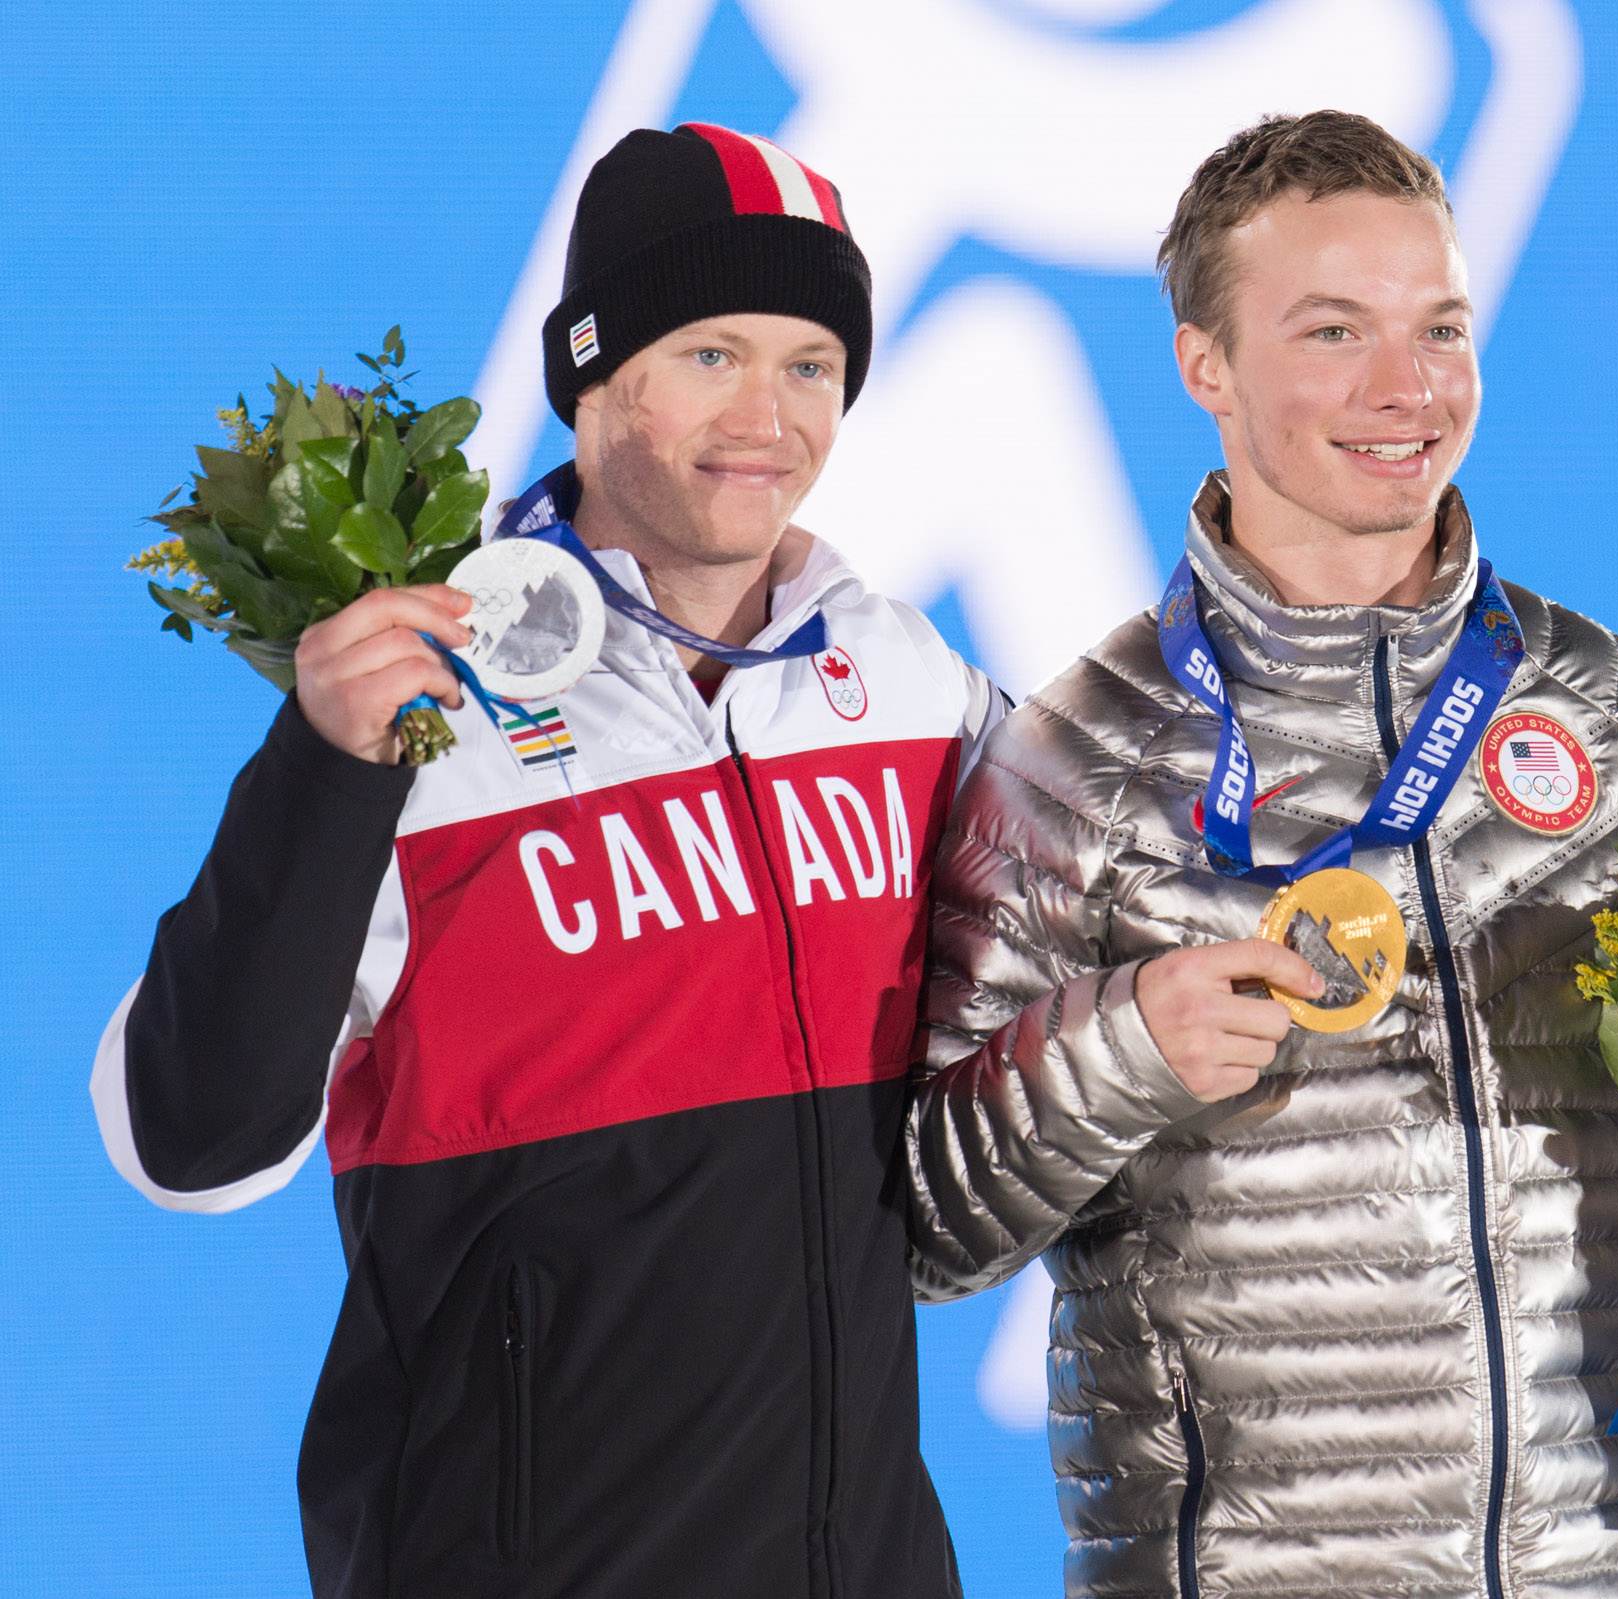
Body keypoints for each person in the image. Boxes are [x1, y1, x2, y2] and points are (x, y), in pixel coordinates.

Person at [905, 111, 1618, 1599]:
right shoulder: (1071, 764)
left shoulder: (1611, 710)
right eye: (1333, 332)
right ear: (1205, 364)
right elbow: (929, 1230)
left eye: (1439, 329)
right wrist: (1119, 1047)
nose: (1407, 390)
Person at [90, 123, 983, 1598]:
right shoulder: (425, 704)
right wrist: (323, 770)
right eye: (709, 352)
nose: (768, 414)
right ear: (591, 373)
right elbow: (186, 1141)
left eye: (811, 364)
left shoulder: (901, 677)